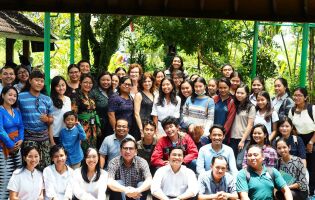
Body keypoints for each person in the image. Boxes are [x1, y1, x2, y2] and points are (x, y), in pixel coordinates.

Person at [19, 70, 54, 170]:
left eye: (42, 81)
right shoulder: (21, 97)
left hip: (44, 138)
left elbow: (51, 120)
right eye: (36, 80)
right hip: (28, 137)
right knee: (30, 165)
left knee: (46, 166)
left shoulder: (47, 99)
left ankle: (44, 186)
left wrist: (47, 119)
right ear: (30, 81)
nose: (39, 83)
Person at [288, 87, 315, 196]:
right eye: (295, 95)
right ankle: (301, 189)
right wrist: (295, 139)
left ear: (305, 97)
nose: (297, 97)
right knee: (299, 165)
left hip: (312, 138)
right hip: (299, 139)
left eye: (300, 95)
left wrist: (311, 142)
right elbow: (291, 126)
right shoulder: (292, 110)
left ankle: (311, 192)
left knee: (312, 167)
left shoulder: (311, 108)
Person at [0, 86, 23, 199]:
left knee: (17, 176)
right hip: (3, 149)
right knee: (5, 178)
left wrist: (21, 139)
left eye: (15, 95)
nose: (12, 97)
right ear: (3, 95)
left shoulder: (17, 111)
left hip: (17, 148)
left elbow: (21, 126)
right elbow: (0, 130)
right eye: (10, 94)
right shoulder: (0, 111)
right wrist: (10, 145)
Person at [72, 74, 101, 152]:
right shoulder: (76, 96)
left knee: (92, 148)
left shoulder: (91, 95)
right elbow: (73, 114)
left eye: (90, 83)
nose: (88, 85)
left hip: (93, 126)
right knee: (83, 147)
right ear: (80, 82)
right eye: (85, 82)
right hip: (82, 126)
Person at [230, 84, 255, 158]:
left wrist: (242, 140)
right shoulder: (233, 104)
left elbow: (250, 125)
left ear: (247, 94)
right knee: (232, 161)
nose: (239, 95)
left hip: (244, 138)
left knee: (239, 163)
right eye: (238, 93)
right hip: (232, 138)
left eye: (242, 93)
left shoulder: (251, 107)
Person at [90, 71, 113, 147]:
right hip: (99, 126)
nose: (106, 82)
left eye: (108, 80)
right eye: (103, 80)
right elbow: (91, 111)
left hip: (111, 125)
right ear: (99, 81)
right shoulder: (94, 93)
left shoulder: (113, 93)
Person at [213, 78, 236, 144]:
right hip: (212, 134)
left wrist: (221, 134)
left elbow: (229, 121)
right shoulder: (214, 99)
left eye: (225, 87)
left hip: (224, 136)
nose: (222, 90)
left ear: (229, 87)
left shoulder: (232, 102)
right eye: (220, 88)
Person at [50, 76, 71, 145]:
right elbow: (49, 122)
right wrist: (52, 141)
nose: (61, 88)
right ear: (54, 87)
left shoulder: (68, 99)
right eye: (58, 86)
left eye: (63, 85)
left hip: (67, 134)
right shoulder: (50, 101)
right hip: (55, 135)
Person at [134, 72, 154, 137]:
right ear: (141, 83)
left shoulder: (153, 94)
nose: (147, 83)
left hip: (151, 126)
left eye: (149, 81)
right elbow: (136, 114)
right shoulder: (139, 95)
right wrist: (141, 129)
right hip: (141, 126)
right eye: (145, 81)